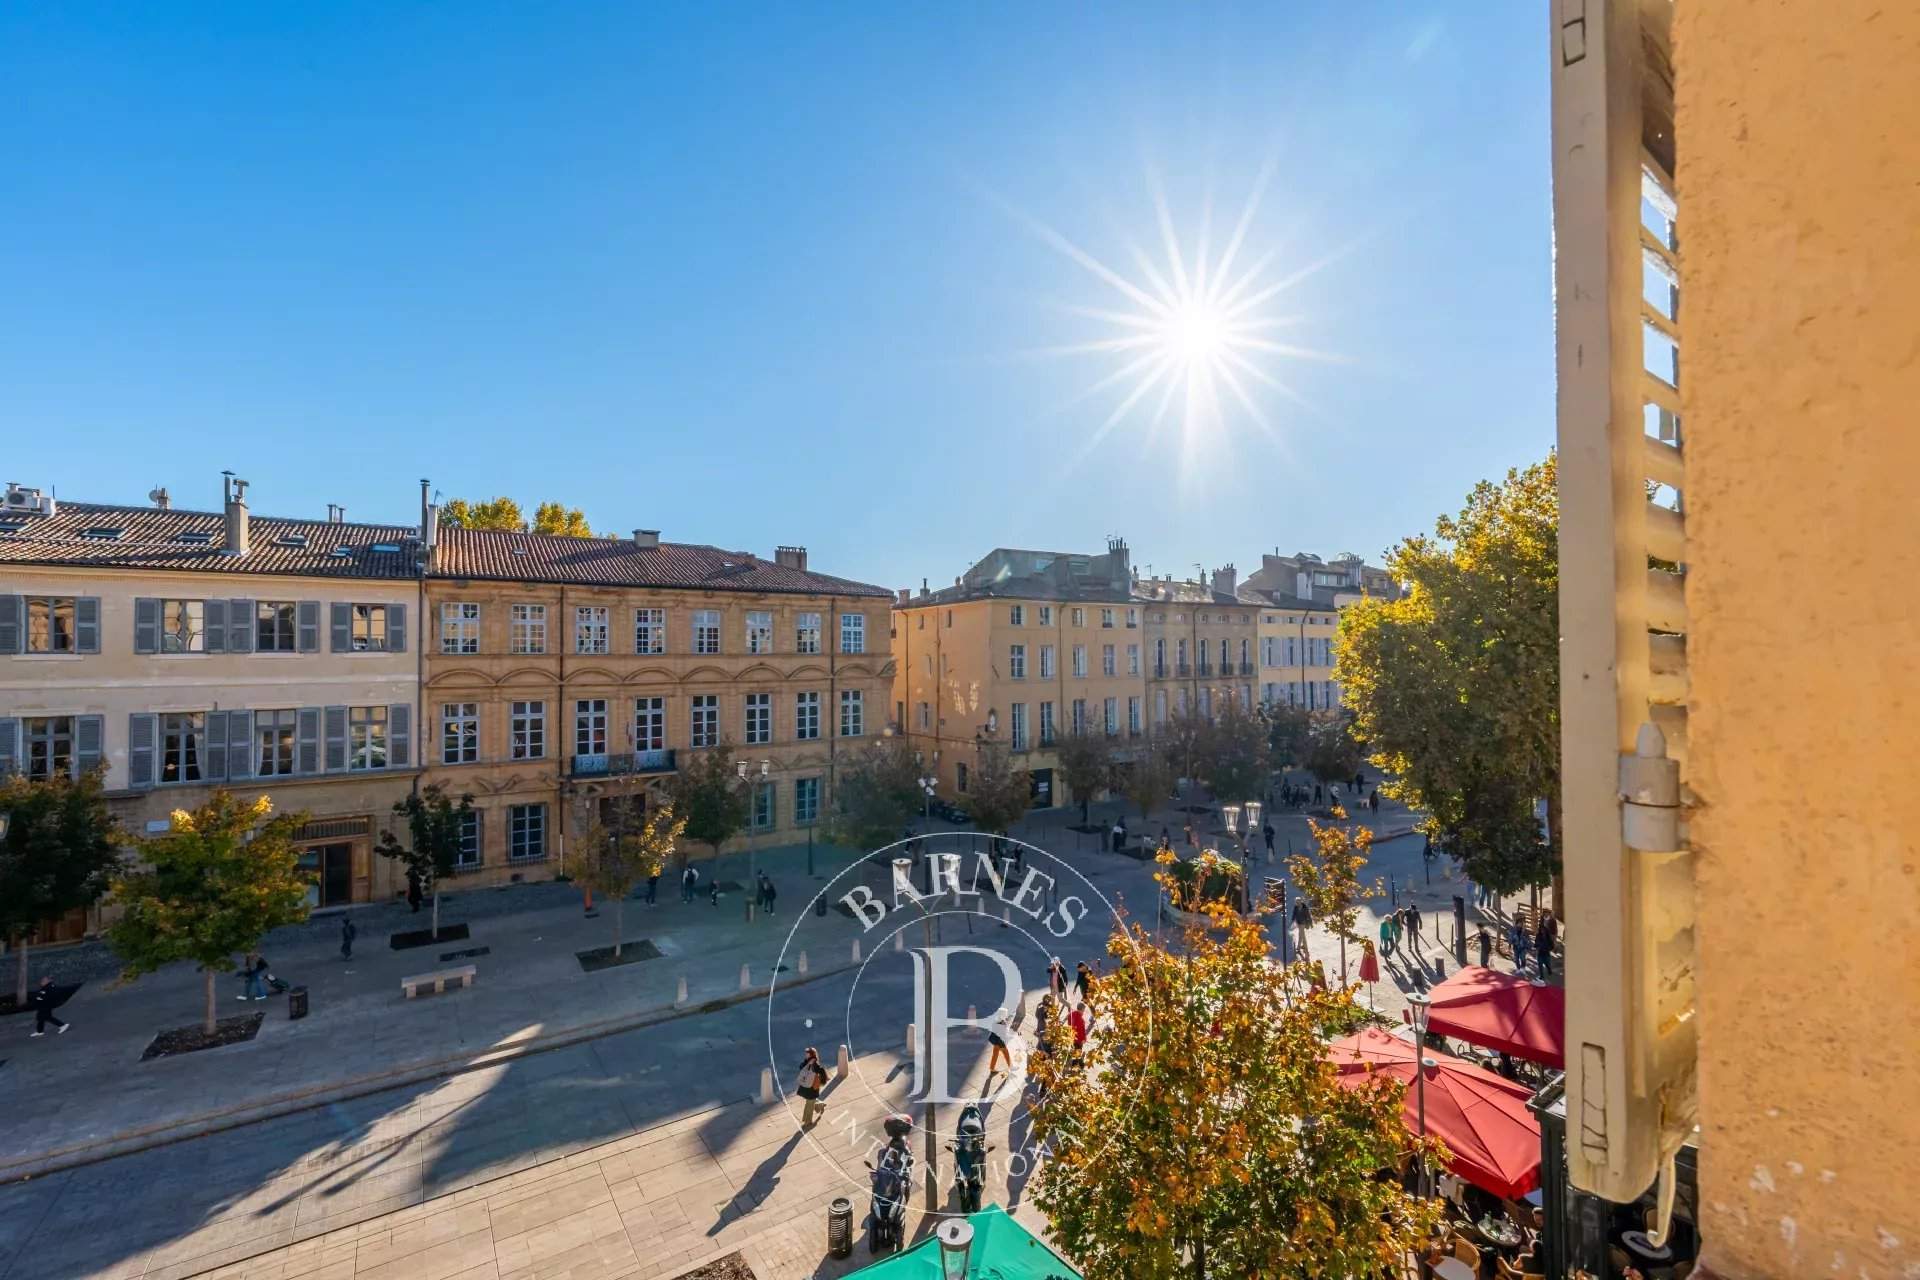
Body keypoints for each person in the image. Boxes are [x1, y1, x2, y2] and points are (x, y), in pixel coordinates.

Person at [795, 1047, 829, 1128]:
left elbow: (821, 1071)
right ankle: (820, 1105)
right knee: (810, 1101)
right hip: (807, 1086)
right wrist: (807, 1064)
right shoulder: (807, 1061)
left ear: (811, 1054)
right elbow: (801, 1068)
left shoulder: (815, 1064)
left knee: (809, 1104)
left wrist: (822, 1080)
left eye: (807, 1053)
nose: (806, 1055)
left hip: (812, 1087)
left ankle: (808, 1121)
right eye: (806, 1053)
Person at [1535, 908, 1558, 978]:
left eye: (1547, 913)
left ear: (1549, 913)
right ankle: (1542, 975)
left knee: (1547, 957)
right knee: (1540, 959)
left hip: (1549, 937)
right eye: (1544, 913)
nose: (1546, 914)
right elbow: (1539, 927)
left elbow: (1555, 930)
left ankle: (1548, 968)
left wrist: (1554, 939)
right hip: (1542, 938)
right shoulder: (1542, 919)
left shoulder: (1553, 920)